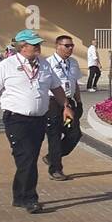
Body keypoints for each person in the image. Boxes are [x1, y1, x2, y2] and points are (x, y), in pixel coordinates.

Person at [0, 30, 75, 213]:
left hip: (39, 119)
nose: (39, 48)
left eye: (39, 44)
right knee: (26, 157)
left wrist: (65, 106)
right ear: (23, 47)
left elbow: (56, 87)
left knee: (30, 157)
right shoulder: (7, 65)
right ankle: (29, 198)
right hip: (16, 120)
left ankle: (19, 196)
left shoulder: (45, 65)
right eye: (35, 45)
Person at [44, 35, 83, 181]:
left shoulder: (73, 63)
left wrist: (78, 102)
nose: (70, 48)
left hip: (69, 102)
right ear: (57, 46)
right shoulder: (48, 63)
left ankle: (52, 157)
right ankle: (56, 169)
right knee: (54, 135)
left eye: (72, 45)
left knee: (74, 133)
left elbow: (75, 84)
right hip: (53, 104)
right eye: (67, 46)